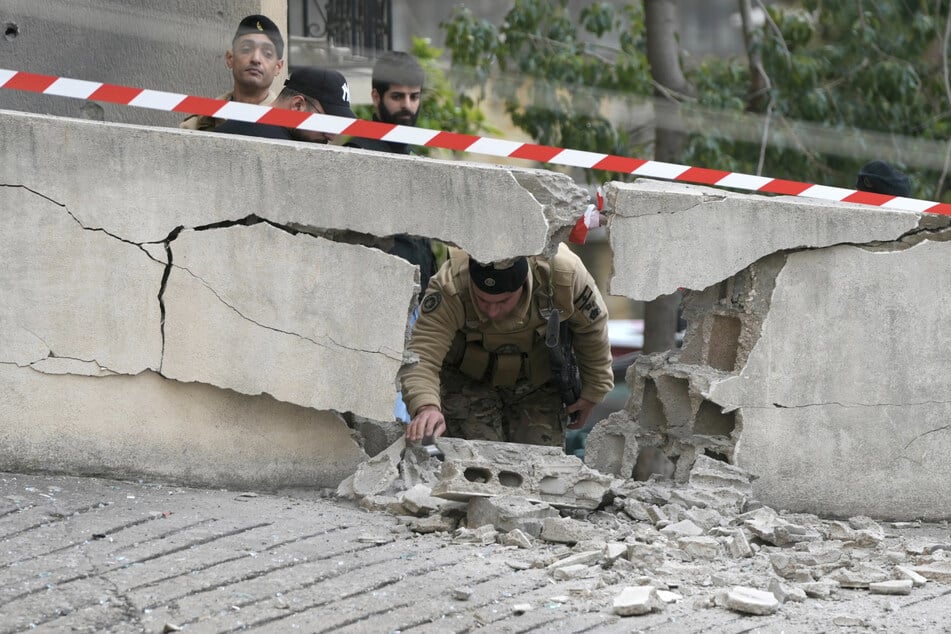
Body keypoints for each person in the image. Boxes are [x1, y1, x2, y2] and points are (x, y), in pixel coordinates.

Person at [401, 244, 614, 449]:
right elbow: (422, 355)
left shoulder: (563, 275)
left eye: (503, 302)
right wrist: (426, 406)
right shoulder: (450, 287)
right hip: (467, 380)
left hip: (536, 382)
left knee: (540, 467)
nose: (492, 312)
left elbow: (592, 329)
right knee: (475, 464)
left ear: (523, 286)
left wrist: (594, 390)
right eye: (483, 300)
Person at [344, 51, 438, 423]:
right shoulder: (359, 153)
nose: (407, 106)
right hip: (376, 300)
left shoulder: (411, 154)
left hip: (416, 300)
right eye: (398, 97)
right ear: (377, 97)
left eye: (414, 97)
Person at [181, 14, 285, 131]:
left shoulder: (289, 124)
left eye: (267, 54)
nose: (256, 59)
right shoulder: (200, 124)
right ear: (230, 58)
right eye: (246, 49)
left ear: (278, 67)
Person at [215, 67, 355, 143]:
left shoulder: (239, 125)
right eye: (328, 123)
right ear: (298, 105)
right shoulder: (279, 148)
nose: (331, 136)